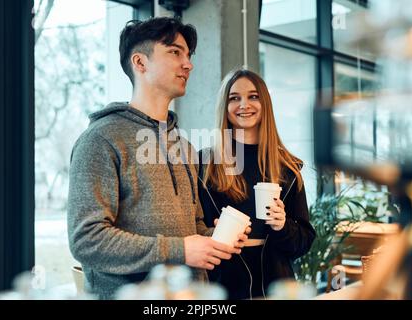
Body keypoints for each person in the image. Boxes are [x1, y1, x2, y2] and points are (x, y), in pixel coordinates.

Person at [67, 17, 247, 299]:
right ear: (140, 63)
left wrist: (213, 239)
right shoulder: (100, 140)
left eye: (188, 55)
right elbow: (87, 239)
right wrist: (181, 249)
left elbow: (192, 225)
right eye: (175, 52)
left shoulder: (184, 146)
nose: (188, 64)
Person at [198, 69, 316, 300]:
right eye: (234, 98)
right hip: (221, 288)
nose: (244, 104)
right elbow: (190, 229)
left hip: (275, 287)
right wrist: (211, 232)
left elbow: (303, 242)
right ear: (225, 105)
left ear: (265, 103)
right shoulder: (203, 164)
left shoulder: (288, 167)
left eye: (253, 96)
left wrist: (283, 226)